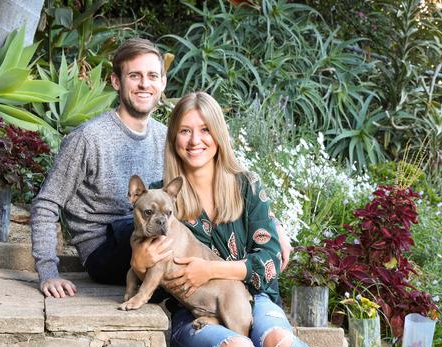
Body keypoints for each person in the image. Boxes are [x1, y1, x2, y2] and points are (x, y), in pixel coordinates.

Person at [130, 91, 432, 347]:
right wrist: (140, 260)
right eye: (185, 131)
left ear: (218, 134)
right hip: (191, 316)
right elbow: (134, 252)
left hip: (255, 297)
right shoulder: (161, 195)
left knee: (278, 343)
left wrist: (214, 271)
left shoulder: (245, 186)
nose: (195, 140)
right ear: (173, 137)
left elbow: (269, 261)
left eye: (204, 129)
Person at [30, 38, 291, 298]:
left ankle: (246, 297)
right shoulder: (89, 138)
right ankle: (234, 296)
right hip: (108, 248)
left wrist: (270, 224)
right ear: (116, 82)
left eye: (152, 75)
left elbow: (206, 180)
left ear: (162, 83)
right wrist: (48, 273)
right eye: (135, 75)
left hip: (157, 233)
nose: (145, 83)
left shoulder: (167, 137)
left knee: (188, 229)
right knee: (161, 231)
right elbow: (46, 203)